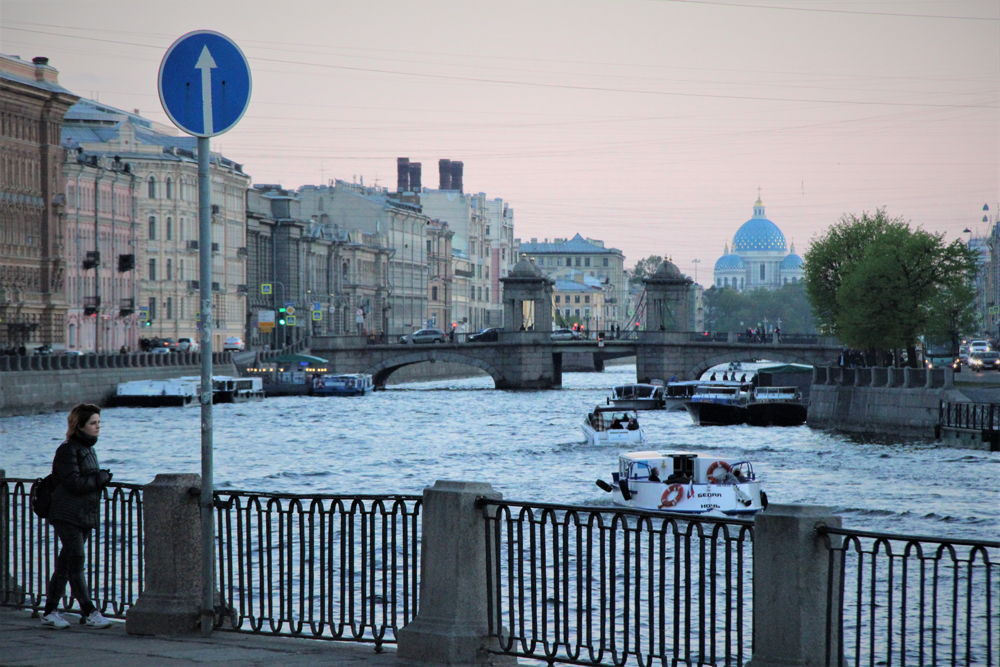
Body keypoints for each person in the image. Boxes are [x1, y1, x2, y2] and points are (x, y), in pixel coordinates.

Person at [41, 404, 113, 630]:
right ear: (79, 425)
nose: (98, 427)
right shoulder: (67, 450)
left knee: (66, 563)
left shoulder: (88, 448)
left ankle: (50, 611)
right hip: (67, 514)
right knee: (77, 560)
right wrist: (100, 479)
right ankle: (89, 611)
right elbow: (74, 483)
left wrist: (98, 479)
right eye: (93, 423)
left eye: (99, 422)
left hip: (83, 515)